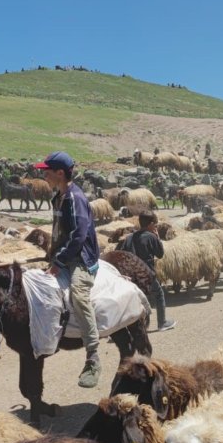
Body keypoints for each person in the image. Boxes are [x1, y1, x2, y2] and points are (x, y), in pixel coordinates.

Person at [36, 151, 102, 388]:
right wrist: (51, 254)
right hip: (64, 256)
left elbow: (78, 236)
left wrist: (59, 262)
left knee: (78, 295)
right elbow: (59, 232)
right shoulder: (58, 197)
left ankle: (93, 358)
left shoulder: (75, 198)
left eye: (47, 170)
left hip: (82, 259)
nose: (43, 174)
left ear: (60, 173)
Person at [118, 210, 175, 332]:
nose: (155, 226)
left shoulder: (129, 238)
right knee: (159, 295)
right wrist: (158, 237)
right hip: (147, 274)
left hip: (132, 276)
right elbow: (160, 254)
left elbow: (122, 255)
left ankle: (140, 325)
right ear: (150, 224)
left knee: (140, 299)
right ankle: (162, 323)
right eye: (155, 224)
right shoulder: (151, 237)